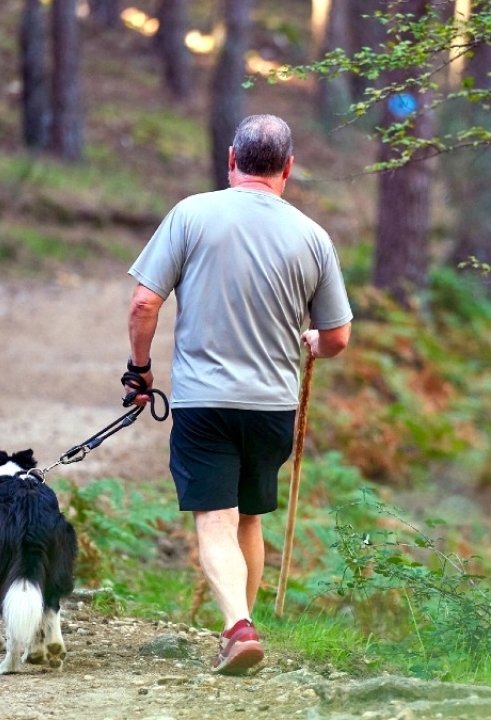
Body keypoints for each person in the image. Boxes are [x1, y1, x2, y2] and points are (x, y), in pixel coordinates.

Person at [123, 114, 353, 675]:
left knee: (215, 520)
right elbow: (338, 338)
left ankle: (237, 627)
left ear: (231, 160)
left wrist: (139, 370)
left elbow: (143, 304)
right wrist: (313, 345)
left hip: (207, 402)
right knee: (249, 518)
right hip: (274, 405)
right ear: (288, 169)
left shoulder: (191, 214)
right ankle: (245, 628)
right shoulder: (313, 237)